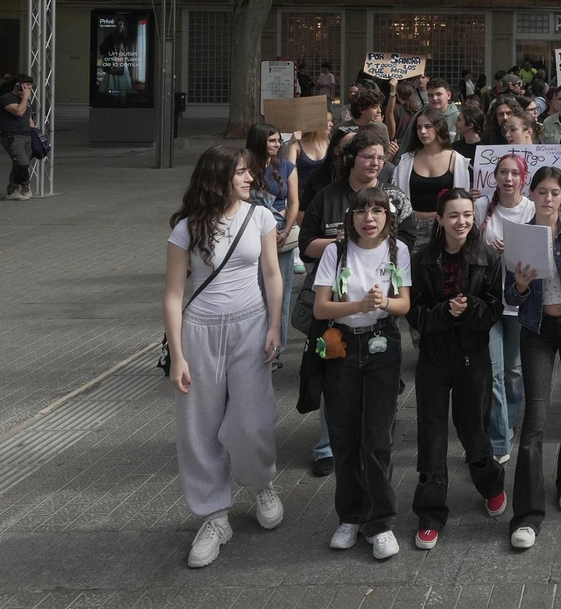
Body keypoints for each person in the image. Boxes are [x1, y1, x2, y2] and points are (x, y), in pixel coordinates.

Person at [164, 145, 285, 568]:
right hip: (199, 333)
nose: (250, 178)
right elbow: (174, 294)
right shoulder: (186, 229)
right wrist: (177, 354)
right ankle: (214, 515)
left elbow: (272, 272)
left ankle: (261, 483)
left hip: (251, 327)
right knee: (199, 427)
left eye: (250, 172)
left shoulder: (261, 217)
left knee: (252, 421)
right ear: (217, 177)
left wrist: (274, 325)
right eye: (240, 172)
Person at [314, 186, 413, 559]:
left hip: (382, 344)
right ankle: (351, 516)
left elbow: (404, 303)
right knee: (343, 436)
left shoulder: (397, 250)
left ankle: (380, 521)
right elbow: (322, 308)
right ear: (350, 217)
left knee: (376, 438)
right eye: (361, 211)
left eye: (377, 211)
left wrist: (383, 302)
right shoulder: (335, 251)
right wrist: (357, 304)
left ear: (388, 217)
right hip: (341, 346)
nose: (369, 218)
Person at [409, 189, 508, 548]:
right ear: (439, 219)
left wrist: (468, 310)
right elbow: (414, 311)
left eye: (467, 214)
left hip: (472, 356)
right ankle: (431, 512)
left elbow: (495, 309)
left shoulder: (488, 257)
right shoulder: (422, 260)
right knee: (431, 433)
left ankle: (491, 484)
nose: (461, 222)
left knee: (472, 428)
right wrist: (443, 313)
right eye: (453, 215)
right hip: (434, 357)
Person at [505, 167, 561, 549]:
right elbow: (511, 297)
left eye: (554, 192)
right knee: (534, 421)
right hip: (537, 331)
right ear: (533, 195)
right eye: (541, 191)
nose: (547, 198)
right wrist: (522, 286)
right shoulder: (522, 235)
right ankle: (526, 515)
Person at [476, 154, 535, 466]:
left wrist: (512, 248)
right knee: (495, 371)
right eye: (503, 172)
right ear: (494, 176)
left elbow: (539, 250)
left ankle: (509, 421)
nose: (508, 178)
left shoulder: (531, 209)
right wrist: (488, 248)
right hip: (488, 299)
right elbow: (468, 244)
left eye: (514, 173)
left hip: (516, 301)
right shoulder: (482, 207)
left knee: (513, 370)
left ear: (523, 177)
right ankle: (500, 439)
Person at [245, 123, 301, 363]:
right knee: (254, 290)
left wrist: (287, 230)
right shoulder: (245, 167)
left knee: (281, 291)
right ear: (259, 142)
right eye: (272, 141)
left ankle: (278, 348)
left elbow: (294, 202)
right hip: (251, 232)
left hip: (280, 232)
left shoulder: (287, 167)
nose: (278, 145)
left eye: (279, 141)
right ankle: (254, 344)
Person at [392, 109, 473, 250]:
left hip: (445, 227)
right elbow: (398, 199)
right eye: (418, 127)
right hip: (411, 227)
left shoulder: (456, 160)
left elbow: (463, 199)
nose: (422, 131)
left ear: (439, 127)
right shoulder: (406, 161)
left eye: (428, 126)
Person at [0, 73, 38, 200]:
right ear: (18, 85)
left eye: (31, 86)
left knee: (18, 162)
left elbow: (27, 116)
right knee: (22, 163)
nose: (29, 88)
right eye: (27, 85)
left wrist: (34, 130)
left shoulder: (25, 100)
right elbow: (18, 112)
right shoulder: (6, 98)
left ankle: (12, 189)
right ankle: (25, 185)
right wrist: (25, 97)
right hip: (12, 135)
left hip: (26, 135)